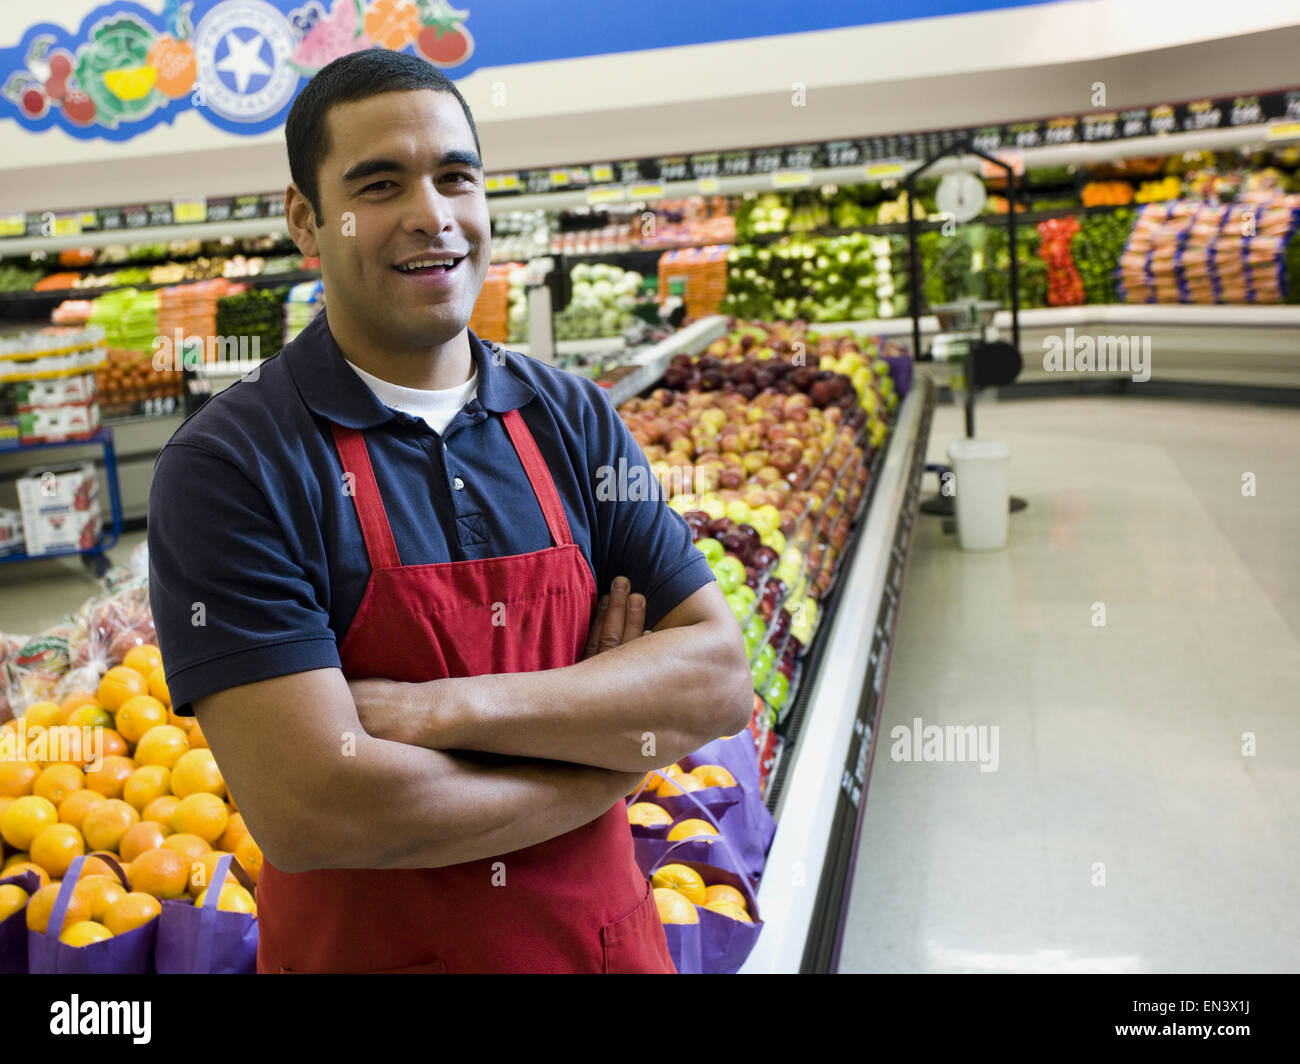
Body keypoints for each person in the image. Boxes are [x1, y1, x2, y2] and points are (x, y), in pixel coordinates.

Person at [147, 49, 752, 974]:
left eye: (455, 177)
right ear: (306, 221)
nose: (432, 215)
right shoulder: (232, 466)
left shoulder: (572, 417)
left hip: (599, 951)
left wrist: (437, 713)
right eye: (381, 183)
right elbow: (319, 809)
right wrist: (614, 759)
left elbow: (714, 683)